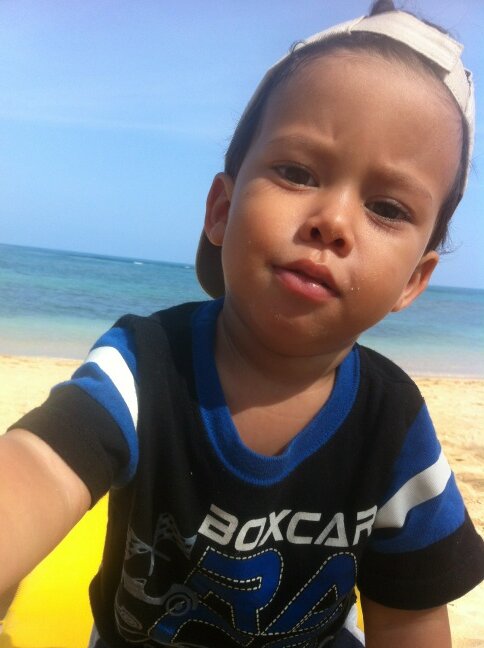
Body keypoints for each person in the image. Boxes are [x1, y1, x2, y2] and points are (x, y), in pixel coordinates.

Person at [1, 1, 483, 646]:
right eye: (297, 172)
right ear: (222, 210)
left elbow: (409, 616)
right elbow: (38, 465)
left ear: (413, 281)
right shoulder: (146, 365)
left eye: (387, 208)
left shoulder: (392, 425)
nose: (333, 222)